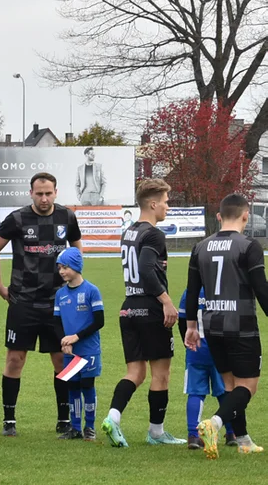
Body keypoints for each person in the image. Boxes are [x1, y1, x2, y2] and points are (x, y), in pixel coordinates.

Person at [0, 172, 82, 437]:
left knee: (62, 359)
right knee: (15, 360)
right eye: (39, 193)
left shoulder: (67, 217)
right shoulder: (17, 218)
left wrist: (74, 281)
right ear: (31, 193)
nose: (44, 198)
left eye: (48, 193)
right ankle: (9, 420)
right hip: (23, 300)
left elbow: (76, 248)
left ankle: (64, 420)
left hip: (58, 302)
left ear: (56, 192)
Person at [100, 179, 183, 448]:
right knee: (161, 374)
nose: (168, 206)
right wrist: (167, 301)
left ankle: (113, 417)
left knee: (134, 372)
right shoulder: (154, 234)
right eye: (166, 201)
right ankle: (156, 432)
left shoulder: (129, 232)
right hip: (149, 308)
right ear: (153, 203)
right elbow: (147, 269)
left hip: (129, 308)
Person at [185, 193, 268, 458]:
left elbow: (191, 290)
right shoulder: (249, 245)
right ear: (246, 215)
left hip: (212, 326)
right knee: (248, 387)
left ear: (219, 216)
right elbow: (261, 290)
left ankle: (243, 439)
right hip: (241, 326)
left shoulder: (199, 247)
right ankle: (216, 423)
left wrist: (190, 326)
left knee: (231, 386)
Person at [52, 248, 104, 440]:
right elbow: (56, 322)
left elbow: (99, 321)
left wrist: (76, 337)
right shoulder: (60, 294)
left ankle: (89, 427)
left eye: (65, 267)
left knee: (87, 385)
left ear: (76, 266)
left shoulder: (91, 290)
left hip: (88, 350)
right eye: (59, 268)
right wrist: (63, 341)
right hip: (70, 352)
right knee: (72, 387)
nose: (62, 271)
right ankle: (75, 427)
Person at [179, 288, 235, 450]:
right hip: (220, 349)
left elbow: (182, 319)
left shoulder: (191, 291)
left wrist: (188, 342)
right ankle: (231, 432)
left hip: (196, 348)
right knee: (225, 391)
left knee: (195, 392)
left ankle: (193, 436)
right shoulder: (223, 289)